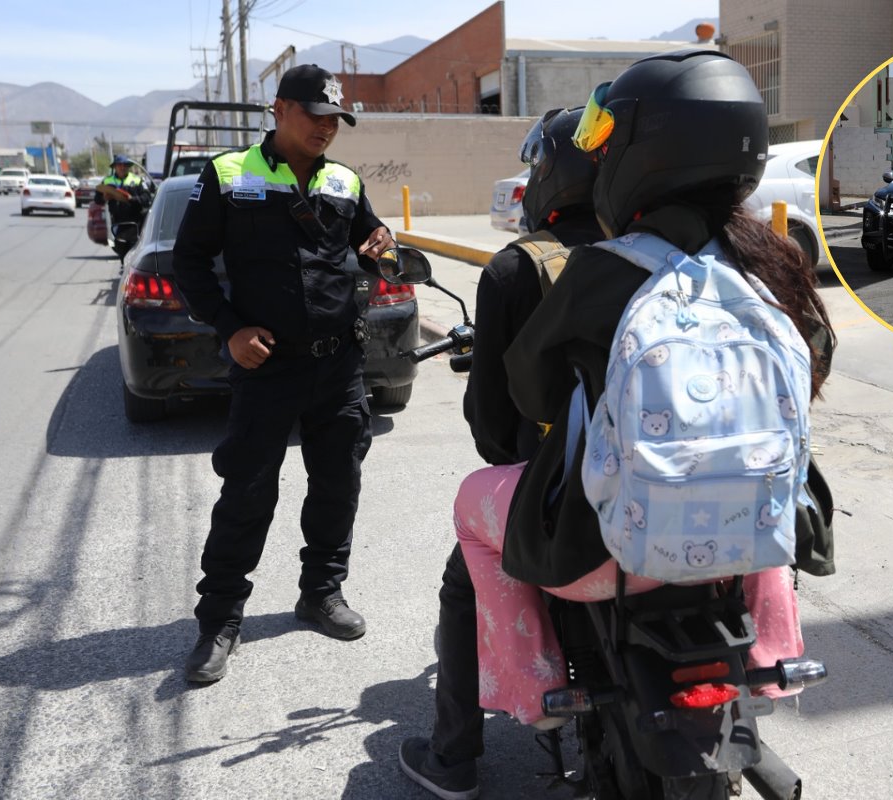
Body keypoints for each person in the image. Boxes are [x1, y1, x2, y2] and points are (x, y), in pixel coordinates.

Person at [446, 49, 834, 750]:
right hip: (753, 544)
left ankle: (532, 688)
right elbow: (815, 366)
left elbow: (528, 387)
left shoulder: (603, 268)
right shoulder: (775, 260)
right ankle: (775, 659)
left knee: (471, 507)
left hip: (611, 556)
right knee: (754, 474)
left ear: (641, 155)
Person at [398, 107, 602, 800]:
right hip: (673, 488)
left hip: (559, 500)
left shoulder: (520, 269)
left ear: (552, 173)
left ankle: (452, 757)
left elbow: (491, 428)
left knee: (464, 583)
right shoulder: (666, 253)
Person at [172, 63, 395, 683]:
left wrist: (380, 249)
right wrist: (230, 327)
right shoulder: (228, 175)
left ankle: (321, 593)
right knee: (247, 490)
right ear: (279, 109)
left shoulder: (346, 181)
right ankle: (219, 617)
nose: (327, 128)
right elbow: (189, 262)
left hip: (339, 366)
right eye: (315, 116)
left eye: (335, 120)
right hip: (266, 368)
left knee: (337, 484)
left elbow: (371, 245)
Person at [98, 154, 148, 233]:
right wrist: (105, 198)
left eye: (125, 165)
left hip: (135, 222)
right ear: (115, 167)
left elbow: (146, 199)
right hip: (116, 223)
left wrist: (131, 199)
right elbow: (97, 200)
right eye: (119, 165)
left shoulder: (137, 180)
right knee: (118, 244)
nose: (122, 167)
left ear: (128, 167)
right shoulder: (107, 181)